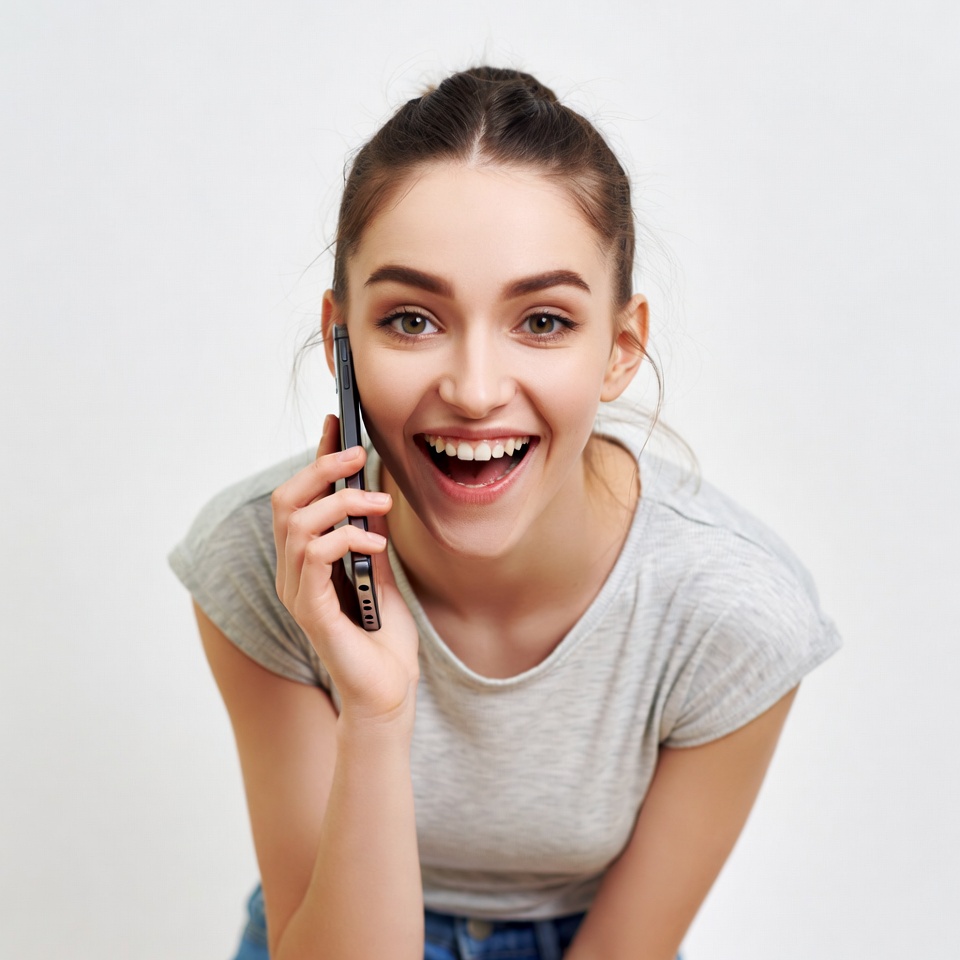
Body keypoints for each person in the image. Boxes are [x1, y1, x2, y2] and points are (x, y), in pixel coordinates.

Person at [169, 66, 840, 960]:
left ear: (619, 348)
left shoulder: (733, 613)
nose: (475, 391)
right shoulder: (262, 559)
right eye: (411, 319)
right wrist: (376, 712)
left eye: (544, 322)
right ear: (343, 342)